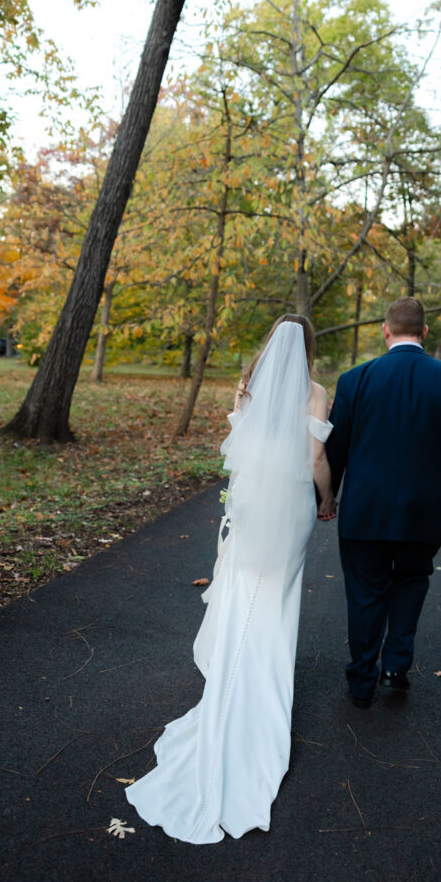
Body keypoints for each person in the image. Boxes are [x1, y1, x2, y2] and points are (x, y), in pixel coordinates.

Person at [125, 316, 335, 843]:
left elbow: (237, 455)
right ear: (307, 348)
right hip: (289, 507)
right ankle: (260, 680)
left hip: (250, 502)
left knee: (245, 590)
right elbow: (315, 457)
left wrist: (238, 504)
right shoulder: (315, 392)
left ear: (270, 345)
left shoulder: (247, 387)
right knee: (278, 595)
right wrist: (328, 497)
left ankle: (237, 672)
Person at [325, 296, 441, 708]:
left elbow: (335, 449)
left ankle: (362, 680)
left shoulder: (354, 380)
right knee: (411, 582)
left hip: (363, 511)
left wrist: (326, 497)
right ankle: (395, 666)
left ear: (385, 330)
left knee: (364, 592)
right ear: (424, 332)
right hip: (423, 511)